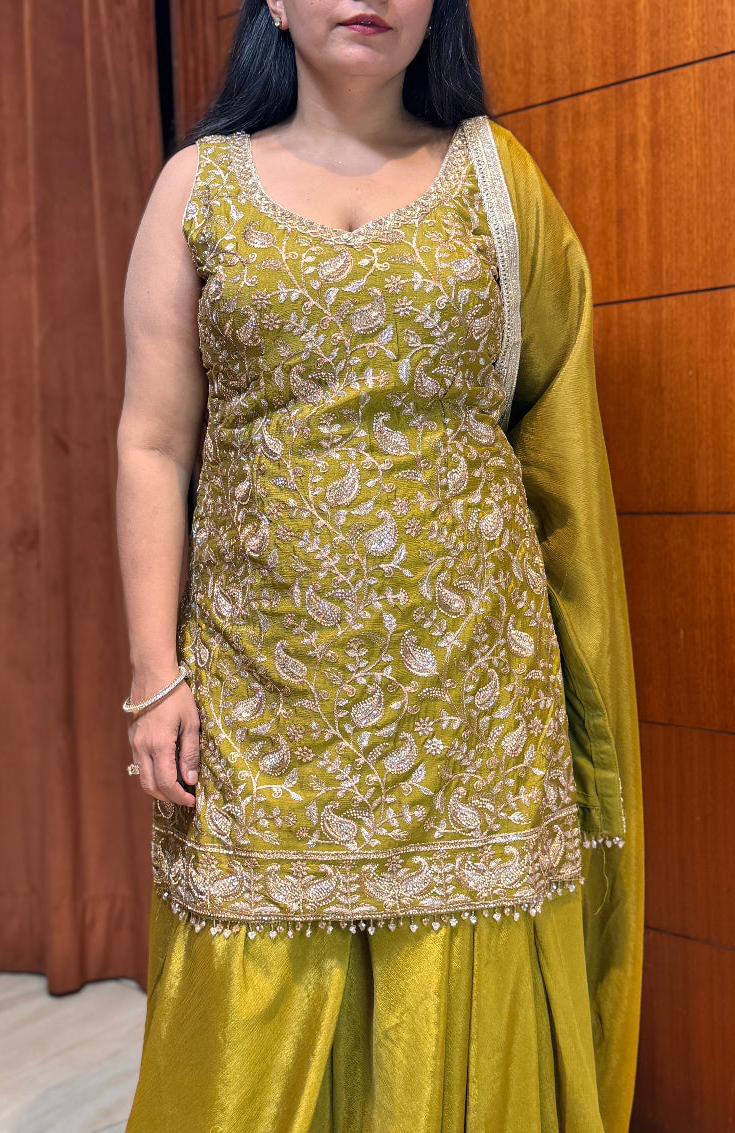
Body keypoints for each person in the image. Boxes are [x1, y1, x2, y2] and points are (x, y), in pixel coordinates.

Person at [116, 0, 644, 1127]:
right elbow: (153, 444)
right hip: (267, 668)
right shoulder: (197, 189)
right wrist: (155, 673)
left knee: (466, 942)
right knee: (256, 957)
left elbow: (551, 424)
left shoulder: (497, 180)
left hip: (471, 673)